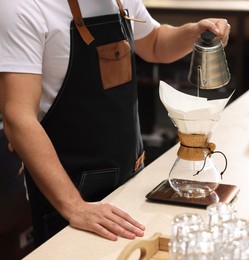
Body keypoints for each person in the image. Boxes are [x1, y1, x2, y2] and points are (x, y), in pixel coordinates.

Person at [0, 0, 231, 247]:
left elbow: (154, 44)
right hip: (68, 193)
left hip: (130, 177)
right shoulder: (22, 6)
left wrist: (193, 31)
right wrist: (74, 206)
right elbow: (18, 118)